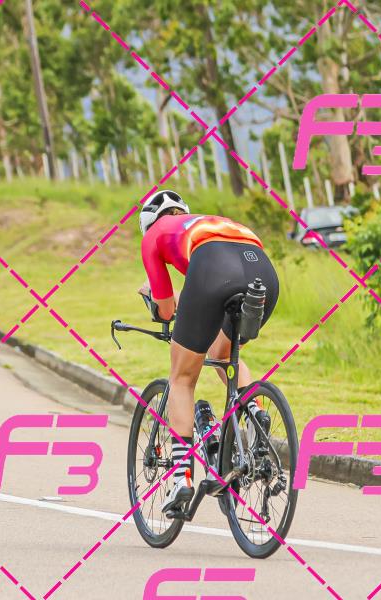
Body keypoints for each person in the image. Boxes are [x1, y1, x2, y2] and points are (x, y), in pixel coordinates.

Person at [137, 190, 280, 515]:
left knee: (182, 378)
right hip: (261, 269)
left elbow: (166, 309)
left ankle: (181, 478)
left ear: (148, 223)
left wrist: (155, 304)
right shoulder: (207, 221)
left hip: (213, 267)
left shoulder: (153, 236)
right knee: (224, 352)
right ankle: (255, 411)